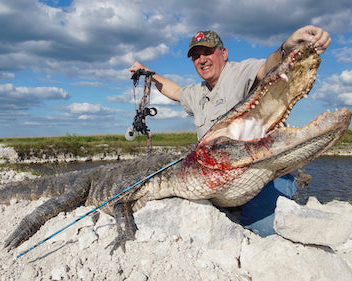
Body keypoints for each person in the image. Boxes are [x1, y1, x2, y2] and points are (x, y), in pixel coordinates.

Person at [129, 25, 331, 236]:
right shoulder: (197, 92)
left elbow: (268, 69)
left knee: (264, 229)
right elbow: (175, 91)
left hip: (261, 171)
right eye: (196, 56)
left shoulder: (240, 72)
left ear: (223, 53)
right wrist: (148, 73)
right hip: (222, 178)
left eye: (208, 52)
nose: (202, 59)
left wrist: (286, 49)